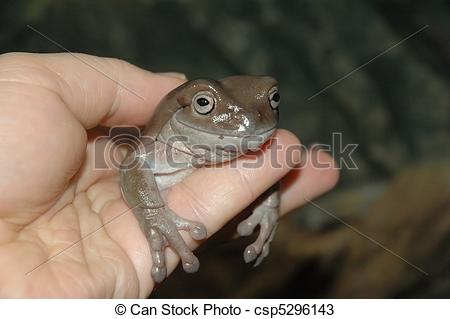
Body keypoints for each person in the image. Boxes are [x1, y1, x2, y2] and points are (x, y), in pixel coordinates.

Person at [0, 53, 339, 297]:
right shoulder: (163, 146)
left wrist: (268, 202)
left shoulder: (252, 140)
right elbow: (133, 164)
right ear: (183, 109)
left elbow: (266, 166)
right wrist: (152, 210)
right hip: (134, 197)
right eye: (205, 104)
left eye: (273, 99)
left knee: (271, 163)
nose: (248, 120)